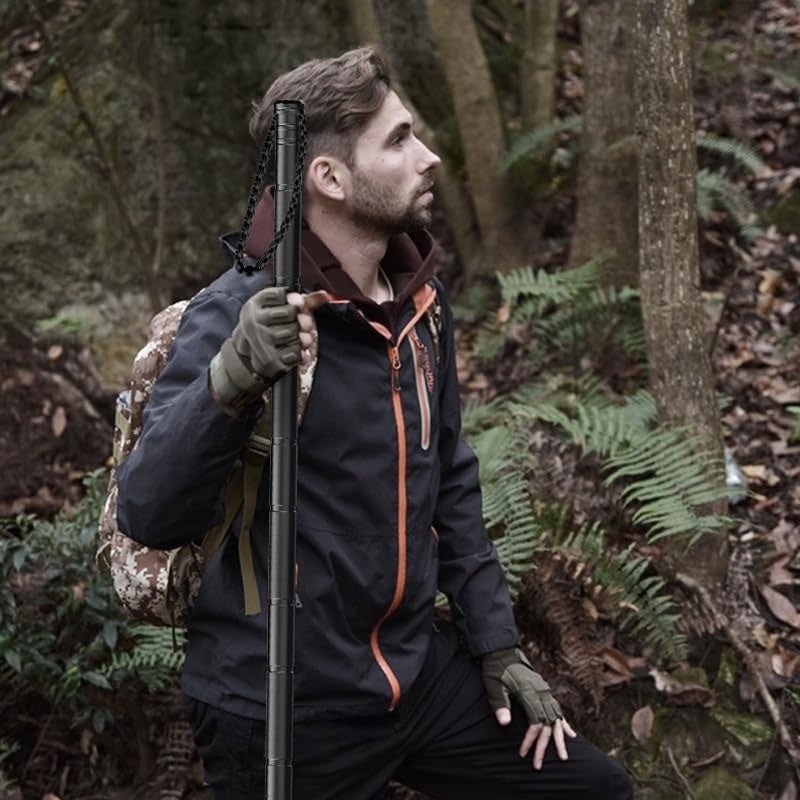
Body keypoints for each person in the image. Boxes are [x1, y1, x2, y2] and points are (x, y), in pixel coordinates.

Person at [116, 47, 633, 800]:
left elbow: (450, 477)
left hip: (416, 676)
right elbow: (148, 512)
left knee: (594, 790)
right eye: (398, 140)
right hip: (280, 704)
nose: (428, 157)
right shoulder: (237, 314)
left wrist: (496, 643)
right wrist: (229, 379)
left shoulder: (420, 304)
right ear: (329, 178)